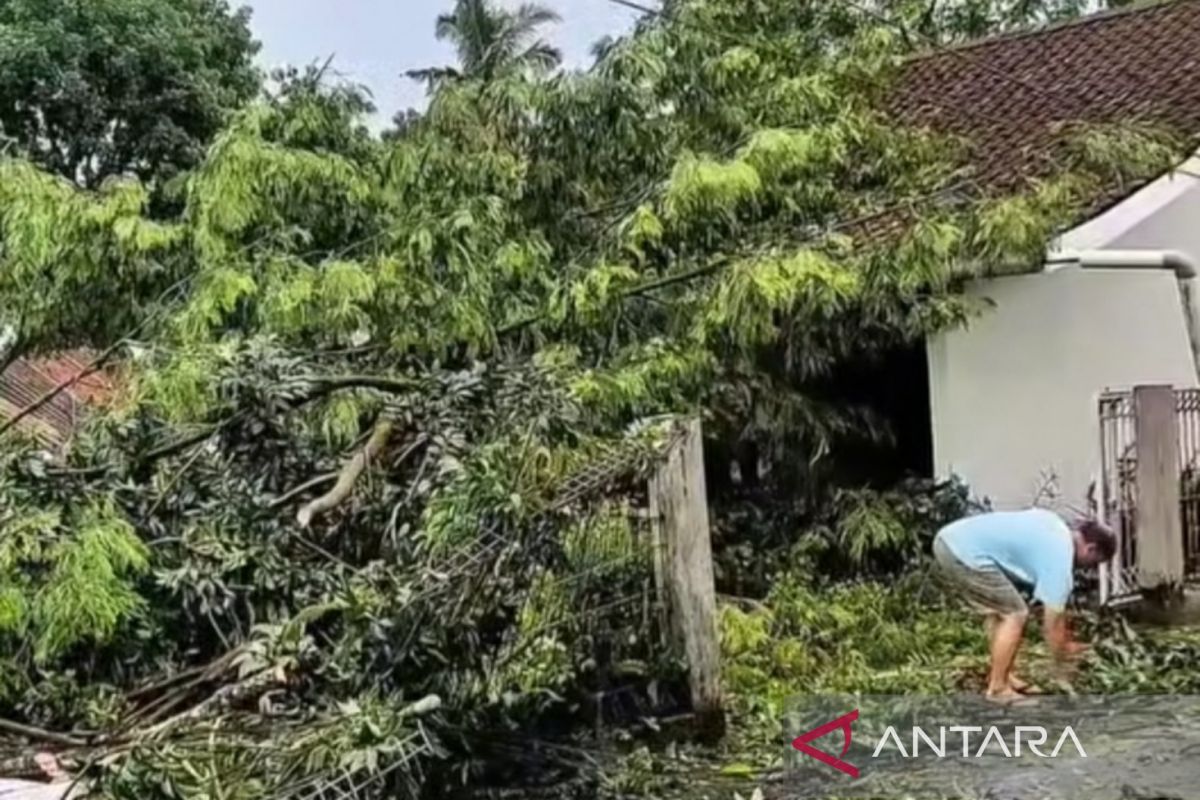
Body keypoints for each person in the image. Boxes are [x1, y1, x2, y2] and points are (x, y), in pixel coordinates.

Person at [932, 508, 1117, 700]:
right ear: (1091, 549)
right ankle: (998, 689)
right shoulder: (1060, 558)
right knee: (1015, 614)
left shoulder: (1055, 525)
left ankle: (1003, 675)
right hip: (964, 552)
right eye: (1095, 562)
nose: (1090, 569)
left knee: (999, 612)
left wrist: (1064, 644)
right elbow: (1052, 625)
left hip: (950, 540)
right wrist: (1063, 660)